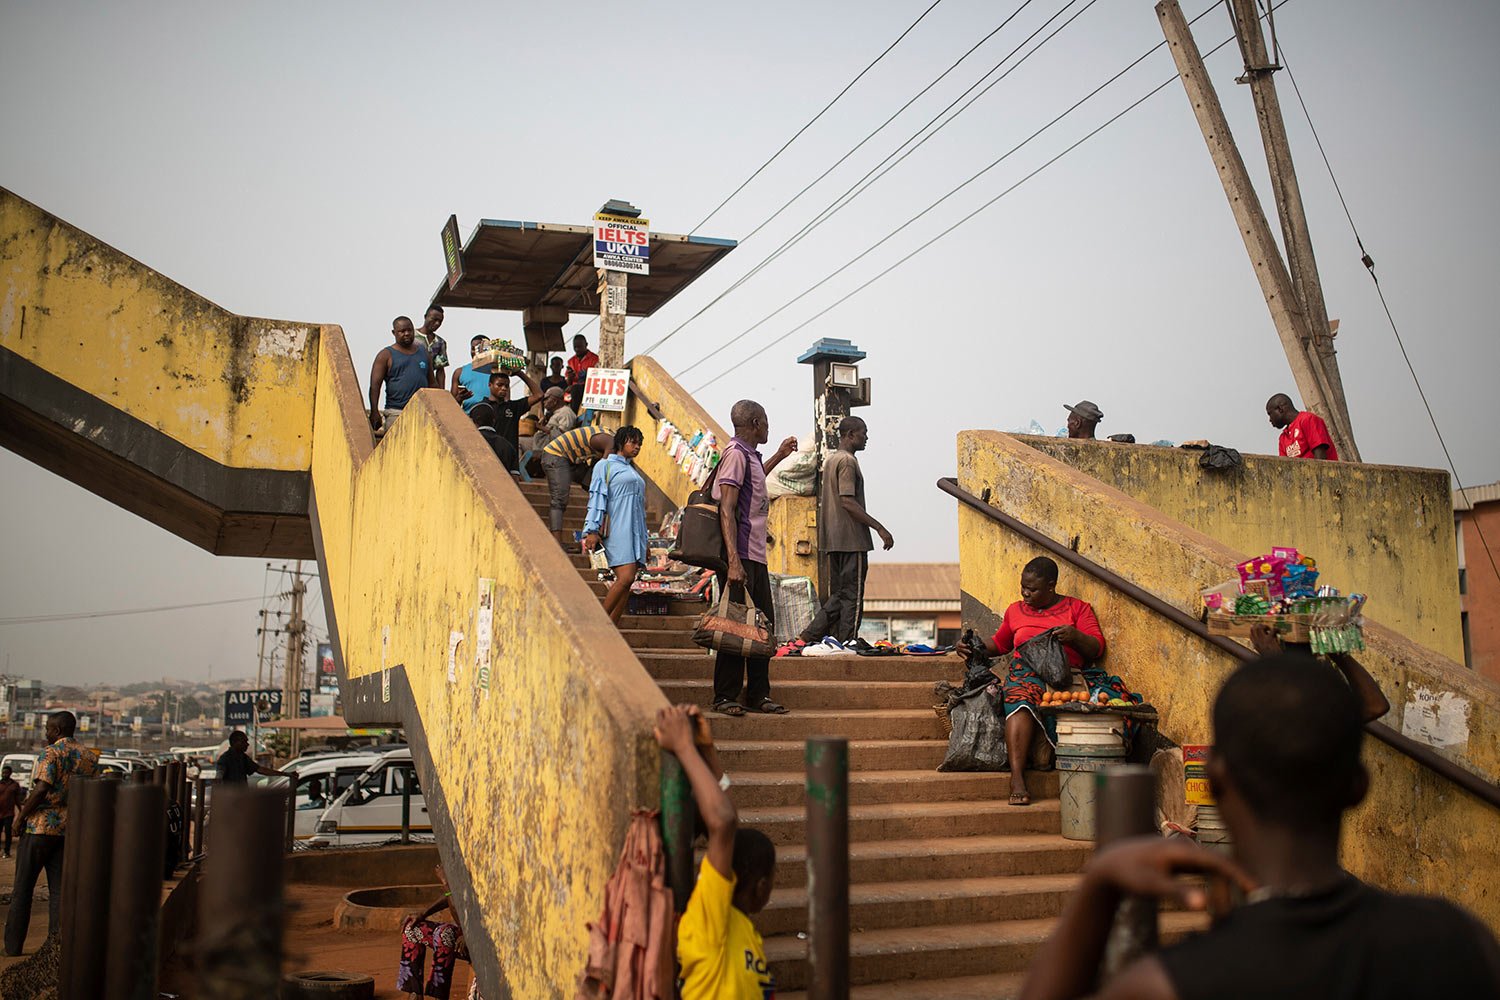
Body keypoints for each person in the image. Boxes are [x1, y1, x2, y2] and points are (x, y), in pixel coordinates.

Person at [1017, 654, 1500, 1000]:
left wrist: (1098, 889)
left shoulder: (1171, 983)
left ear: (1217, 785)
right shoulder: (1459, 941)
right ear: (1357, 786)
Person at [955, 556, 1140, 805]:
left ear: (1051, 586)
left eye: (1032, 589)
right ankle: (1017, 778)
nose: (1025, 593)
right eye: (1023, 586)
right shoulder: (1015, 610)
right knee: (1019, 702)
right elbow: (1000, 643)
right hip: (1026, 672)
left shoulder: (1077, 608)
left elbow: (1096, 647)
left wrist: (1074, 636)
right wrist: (972, 647)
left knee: (1110, 702)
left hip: (1067, 674)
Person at [655, 704, 777, 999]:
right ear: (761, 887)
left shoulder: (741, 926)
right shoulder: (710, 915)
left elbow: (728, 824)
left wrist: (708, 751)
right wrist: (683, 745)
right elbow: (723, 822)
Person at [713, 400, 799, 717]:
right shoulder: (735, 454)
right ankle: (725, 695)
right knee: (736, 626)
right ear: (754, 422)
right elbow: (727, 508)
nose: (767, 426)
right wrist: (734, 561)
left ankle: (759, 694)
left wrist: (778, 455)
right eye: (765, 421)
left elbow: (753, 485)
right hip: (741, 555)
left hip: (755, 555)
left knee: (762, 625)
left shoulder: (748, 456)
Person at [792, 416, 892, 650]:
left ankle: (809, 635)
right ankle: (847, 641)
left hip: (833, 541)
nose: (866, 437)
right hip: (851, 540)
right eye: (863, 432)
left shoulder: (831, 460)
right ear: (849, 435)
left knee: (838, 596)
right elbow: (847, 501)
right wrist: (879, 527)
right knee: (853, 596)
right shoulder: (847, 462)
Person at [5, 711, 99, 956]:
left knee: (22, 889)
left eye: (47, 729)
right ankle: (55, 949)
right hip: (68, 830)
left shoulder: (51, 752)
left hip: (39, 828)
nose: (45, 733)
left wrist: (20, 817)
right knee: (59, 892)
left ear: (56, 731)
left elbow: (40, 789)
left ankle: (13, 947)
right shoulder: (88, 756)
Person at [583, 425, 650, 625]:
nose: (637, 447)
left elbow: (640, 509)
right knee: (626, 577)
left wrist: (645, 542)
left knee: (627, 582)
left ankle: (612, 628)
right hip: (617, 528)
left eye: (639, 443)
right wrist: (592, 530)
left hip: (634, 530)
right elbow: (596, 498)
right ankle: (598, 623)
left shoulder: (631, 470)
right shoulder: (605, 465)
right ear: (621, 442)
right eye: (633, 442)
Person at [399, 865, 471, 1000]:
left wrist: (445, 881)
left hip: (476, 938)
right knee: (412, 928)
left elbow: (457, 909)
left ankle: (439, 995)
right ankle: (415, 993)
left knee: (444, 934)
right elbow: (450, 898)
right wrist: (423, 914)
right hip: (463, 932)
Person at [541, 423, 614, 545]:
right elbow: (603, 471)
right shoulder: (610, 442)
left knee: (593, 489)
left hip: (573, 458)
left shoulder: (609, 438)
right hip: (555, 454)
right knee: (559, 500)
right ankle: (556, 542)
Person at [369, 315, 431, 438]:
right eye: (402, 331)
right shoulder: (385, 355)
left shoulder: (423, 352)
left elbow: (432, 382)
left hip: (422, 411)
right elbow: (375, 386)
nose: (407, 334)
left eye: (409, 330)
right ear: (394, 333)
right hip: (396, 412)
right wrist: (374, 411)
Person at [1266, 392, 1339, 460]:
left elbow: (1321, 457)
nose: (1270, 419)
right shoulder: (1283, 438)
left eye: (1270, 414)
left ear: (1280, 409)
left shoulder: (1307, 420)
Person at [215, 730, 293, 786]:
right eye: (244, 742)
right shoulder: (225, 759)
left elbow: (260, 770)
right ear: (235, 742)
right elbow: (219, 777)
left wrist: (285, 774)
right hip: (230, 801)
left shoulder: (243, 757)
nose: (247, 744)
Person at [469, 402, 518, 472]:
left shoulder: (469, 443)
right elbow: (515, 479)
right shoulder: (508, 446)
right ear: (493, 421)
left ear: (472, 421)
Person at [451, 336, 493, 414]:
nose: (475, 352)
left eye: (479, 349)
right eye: (473, 349)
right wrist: (460, 398)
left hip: (492, 420)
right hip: (467, 420)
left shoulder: (496, 372)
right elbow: (452, 404)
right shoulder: (459, 372)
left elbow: (506, 402)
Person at [416, 305, 450, 389]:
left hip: (429, 385)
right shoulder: (412, 337)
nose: (437, 323)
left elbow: (440, 370)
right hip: (411, 383)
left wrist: (442, 392)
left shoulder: (440, 342)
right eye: (434, 319)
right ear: (425, 317)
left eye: (440, 321)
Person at [565, 334, 599, 413]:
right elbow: (568, 382)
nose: (577, 349)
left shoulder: (595, 359)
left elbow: (596, 378)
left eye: (579, 347)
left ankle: (573, 414)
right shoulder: (571, 361)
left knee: (576, 389)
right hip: (573, 389)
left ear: (586, 345)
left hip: (589, 388)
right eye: (575, 347)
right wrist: (570, 377)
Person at [0, 766, 19, 859]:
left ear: (10, 773)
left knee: (8, 832)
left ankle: (6, 851)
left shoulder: (15, 785)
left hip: (9, 813)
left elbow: (17, 799)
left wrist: (21, 810)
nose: (4, 774)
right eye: (3, 773)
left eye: (6, 773)